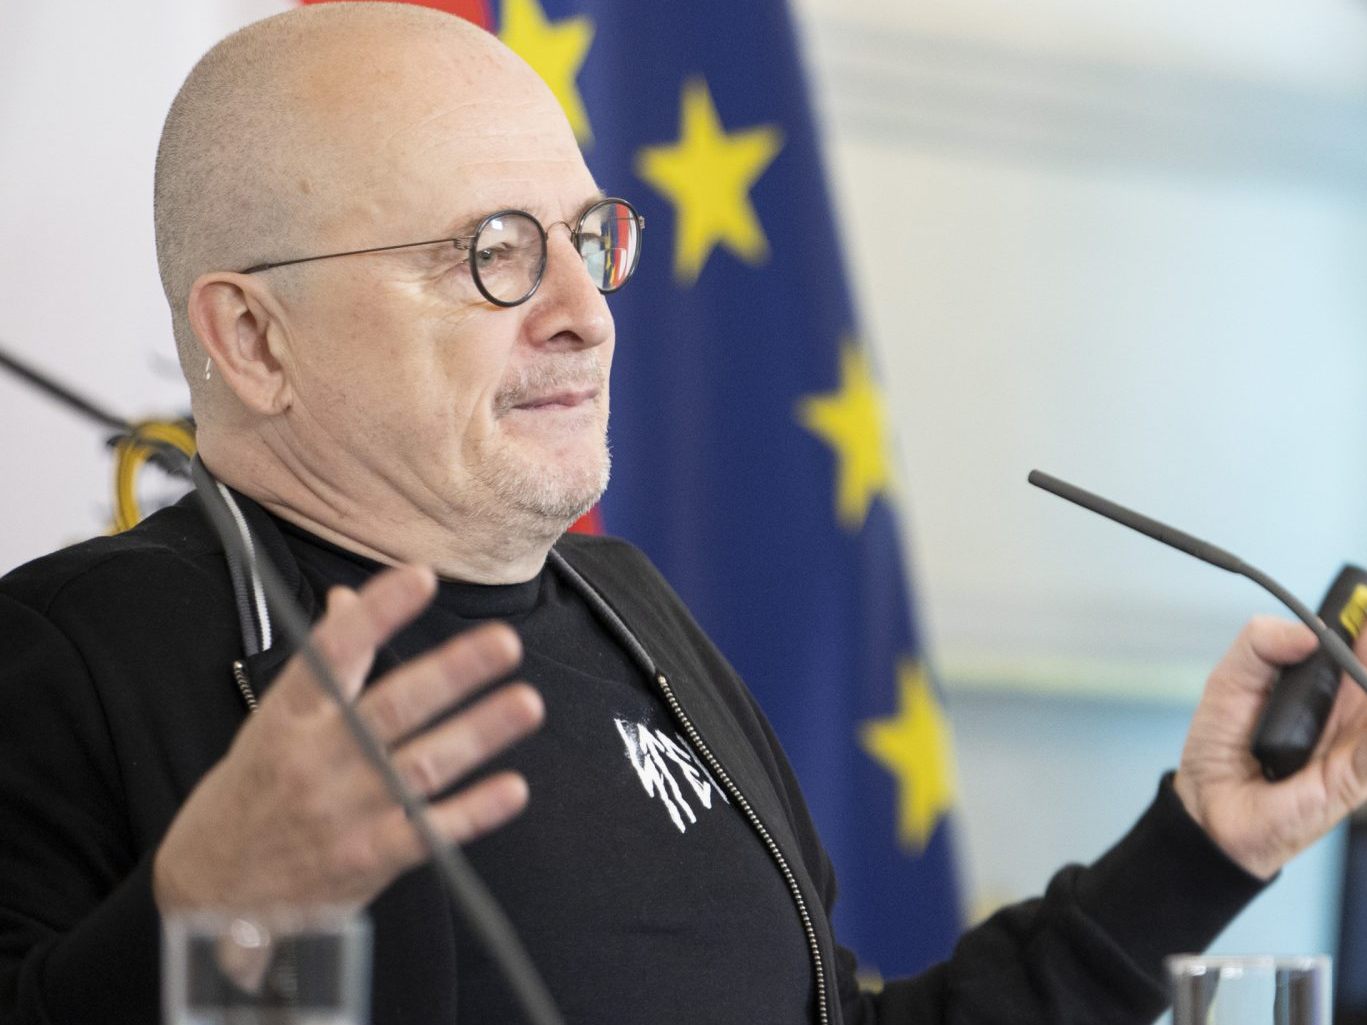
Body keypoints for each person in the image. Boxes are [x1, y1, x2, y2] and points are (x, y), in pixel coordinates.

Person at [2, 4, 1367, 1024]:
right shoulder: (70, 660)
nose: (585, 313)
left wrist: (1202, 845)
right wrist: (196, 923)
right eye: (492, 253)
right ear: (253, 338)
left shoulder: (634, 611)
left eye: (589, 238)